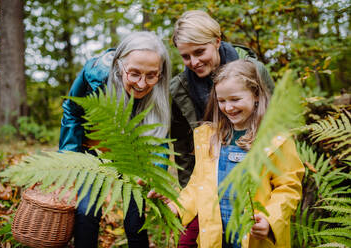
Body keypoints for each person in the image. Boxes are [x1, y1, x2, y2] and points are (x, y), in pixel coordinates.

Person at [167, 59, 304, 247]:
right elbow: (198, 185)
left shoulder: (276, 140)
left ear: (256, 95)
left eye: (235, 99)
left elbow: (288, 187)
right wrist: (177, 206)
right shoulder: (210, 138)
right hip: (216, 233)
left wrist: (270, 219)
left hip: (253, 235)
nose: (228, 107)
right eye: (221, 101)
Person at [169, 10, 275, 245]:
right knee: (187, 241)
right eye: (186, 56)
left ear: (217, 42)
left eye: (199, 52)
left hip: (251, 180)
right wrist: (191, 198)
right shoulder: (179, 89)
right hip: (206, 180)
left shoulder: (254, 71)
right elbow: (183, 148)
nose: (194, 62)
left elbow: (275, 124)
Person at [58, 31, 171, 248]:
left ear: (160, 73)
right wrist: (69, 157)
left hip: (134, 151)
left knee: (136, 214)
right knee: (86, 210)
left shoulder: (160, 91)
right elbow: (71, 109)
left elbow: (159, 138)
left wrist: (156, 173)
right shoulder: (95, 74)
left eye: (151, 75)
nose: (142, 84)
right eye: (135, 74)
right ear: (120, 66)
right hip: (95, 147)